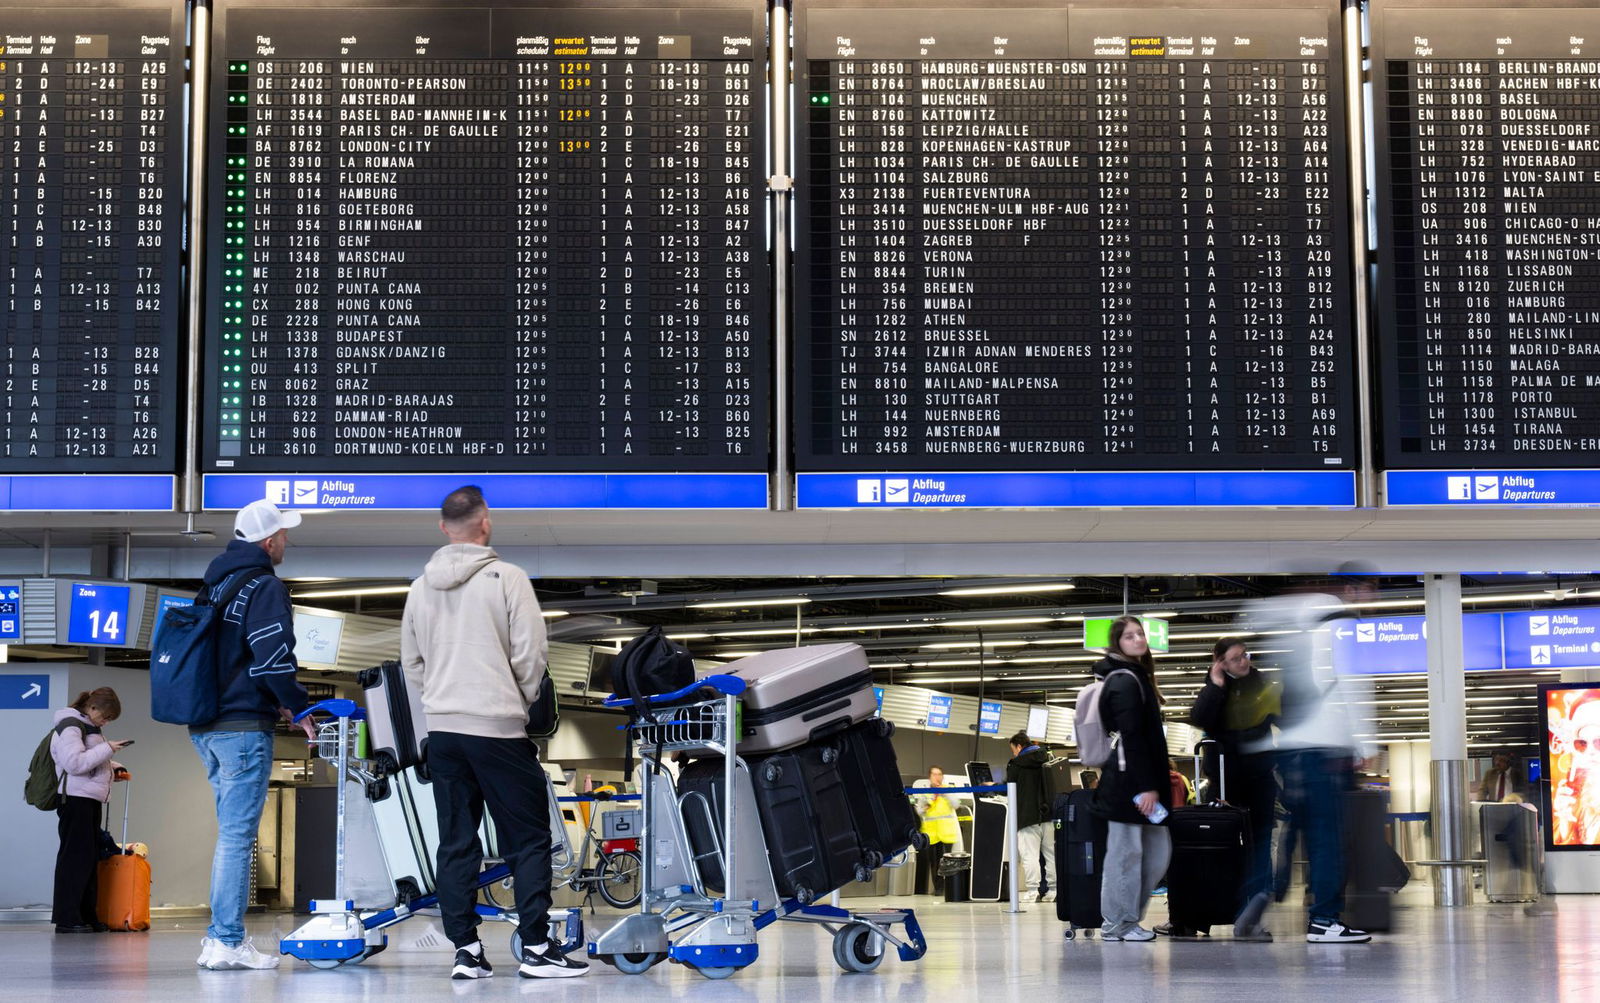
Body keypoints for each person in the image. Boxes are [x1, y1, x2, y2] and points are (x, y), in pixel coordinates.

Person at [401, 485, 587, 980]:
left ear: (444, 528)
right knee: (527, 839)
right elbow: (531, 654)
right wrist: (515, 703)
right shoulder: (508, 578)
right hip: (498, 728)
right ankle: (537, 947)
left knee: (456, 842)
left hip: (443, 733)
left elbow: (411, 663)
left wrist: (438, 703)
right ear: (486, 523)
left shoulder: (419, 588)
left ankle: (466, 951)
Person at [187, 499, 315, 970]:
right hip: (241, 727)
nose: (286, 540)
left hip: (206, 726)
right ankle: (225, 939)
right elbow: (271, 658)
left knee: (230, 835)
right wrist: (299, 707)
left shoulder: (215, 585)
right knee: (239, 838)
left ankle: (218, 938)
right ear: (269, 541)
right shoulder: (263, 586)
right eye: (283, 534)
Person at [1240, 570, 1376, 944]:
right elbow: (1348, 683)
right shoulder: (1340, 624)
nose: (1370, 599)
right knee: (1327, 839)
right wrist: (1364, 744)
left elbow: (1252, 614)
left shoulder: (1301, 619)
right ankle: (1324, 920)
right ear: (1353, 588)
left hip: (1293, 749)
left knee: (1296, 831)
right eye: (1368, 590)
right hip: (1325, 747)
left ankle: (1266, 891)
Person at [1189, 637, 1282, 941]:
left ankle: (1252, 914)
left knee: (1261, 841)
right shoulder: (1214, 689)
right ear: (1220, 662)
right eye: (1235, 658)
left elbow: (1281, 720)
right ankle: (1232, 908)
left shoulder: (1263, 685)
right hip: (1226, 782)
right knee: (1230, 846)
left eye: (1245, 655)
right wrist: (1216, 684)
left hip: (1258, 777)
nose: (1244, 662)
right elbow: (1201, 718)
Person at [1088, 615, 1171, 942]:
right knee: (1125, 856)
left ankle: (1129, 919)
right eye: (1129, 636)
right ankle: (1116, 925)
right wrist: (1146, 786)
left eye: (1140, 634)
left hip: (1139, 783)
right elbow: (1132, 737)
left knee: (1155, 853)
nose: (1138, 639)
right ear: (1117, 643)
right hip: (1128, 786)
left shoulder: (1137, 676)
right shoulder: (1123, 680)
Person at [50, 687, 131, 933]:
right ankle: (67, 918)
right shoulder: (71, 725)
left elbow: (89, 759)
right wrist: (109, 749)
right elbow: (74, 763)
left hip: (88, 798)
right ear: (92, 707)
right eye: (105, 717)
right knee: (74, 859)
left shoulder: (87, 725)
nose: (105, 722)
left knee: (88, 858)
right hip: (75, 800)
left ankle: (86, 915)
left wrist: (113, 767)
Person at [1005, 734, 1056, 904]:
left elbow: (1008, 787)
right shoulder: (1047, 759)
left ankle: (1033, 891)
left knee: (1030, 856)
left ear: (1019, 746)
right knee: (1051, 855)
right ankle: (1053, 890)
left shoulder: (1016, 764)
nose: (1013, 753)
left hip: (1026, 817)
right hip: (1049, 815)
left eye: (1013, 749)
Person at [911, 765, 961, 893]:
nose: (937, 777)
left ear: (942, 777)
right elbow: (919, 811)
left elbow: (956, 804)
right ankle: (939, 889)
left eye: (939, 774)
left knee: (948, 862)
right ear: (930, 777)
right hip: (931, 835)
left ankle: (949, 888)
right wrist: (926, 804)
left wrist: (945, 794)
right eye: (934, 774)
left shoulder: (948, 790)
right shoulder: (925, 792)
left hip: (946, 834)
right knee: (935, 863)